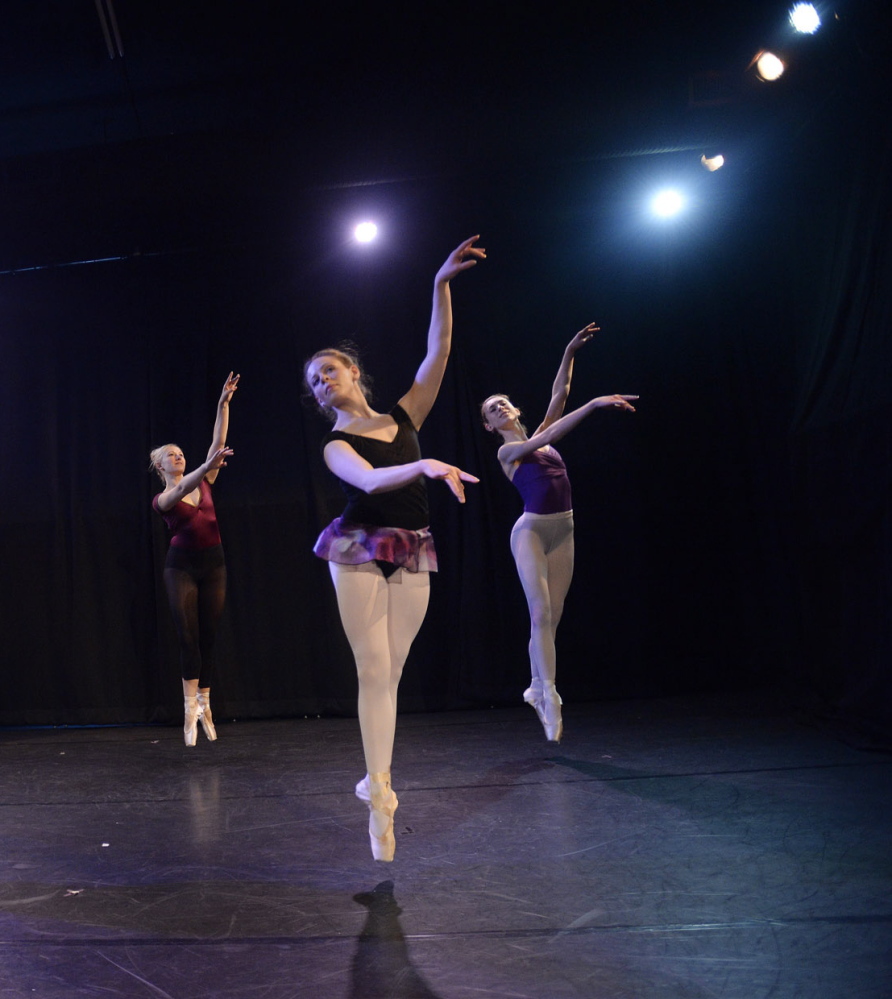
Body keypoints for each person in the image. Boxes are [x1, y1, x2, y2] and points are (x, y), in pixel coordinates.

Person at [305, 235, 485, 862]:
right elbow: (373, 481)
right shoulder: (335, 445)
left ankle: (374, 778)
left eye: (328, 370)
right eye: (314, 381)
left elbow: (439, 352)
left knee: (395, 672)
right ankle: (380, 792)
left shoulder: (406, 415)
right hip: (357, 546)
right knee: (372, 669)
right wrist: (430, 464)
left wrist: (439, 284)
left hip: (413, 547)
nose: (322, 382)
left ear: (354, 372)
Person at [481, 325, 636, 742]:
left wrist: (569, 350)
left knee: (552, 620)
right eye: (493, 409)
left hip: (563, 530)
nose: (501, 408)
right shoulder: (507, 451)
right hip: (530, 532)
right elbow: (554, 430)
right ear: (490, 426)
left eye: (504, 403)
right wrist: (596, 404)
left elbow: (558, 395)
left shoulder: (537, 437)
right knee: (540, 613)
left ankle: (535, 685)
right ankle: (548, 696)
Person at [149, 372, 239, 747]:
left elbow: (218, 442)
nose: (179, 457)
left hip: (213, 564)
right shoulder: (163, 499)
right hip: (181, 568)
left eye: (181, 452)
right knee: (188, 637)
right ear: (160, 467)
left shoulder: (204, 479)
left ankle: (206, 703)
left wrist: (222, 404)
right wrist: (207, 464)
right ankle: (189, 709)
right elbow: (188, 483)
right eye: (171, 455)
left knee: (210, 636)